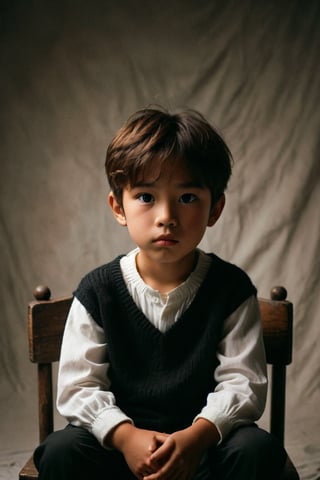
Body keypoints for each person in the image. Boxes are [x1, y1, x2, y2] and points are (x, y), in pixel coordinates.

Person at [34, 107, 287, 479]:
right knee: (61, 450)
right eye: (146, 197)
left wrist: (194, 440)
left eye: (187, 198)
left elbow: (243, 383)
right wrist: (125, 438)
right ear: (118, 206)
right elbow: (79, 386)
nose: (166, 215)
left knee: (256, 450)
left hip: (202, 449)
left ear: (215, 208)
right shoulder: (97, 290)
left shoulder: (231, 290)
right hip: (119, 451)